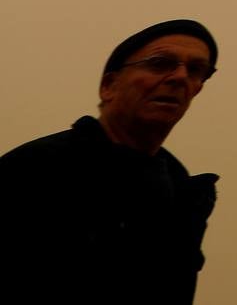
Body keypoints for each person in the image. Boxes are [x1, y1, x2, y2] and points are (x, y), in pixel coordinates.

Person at [0, 19, 222, 304]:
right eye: (159, 63)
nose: (180, 77)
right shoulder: (33, 169)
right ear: (109, 85)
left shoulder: (180, 186)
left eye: (196, 70)